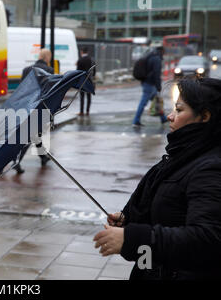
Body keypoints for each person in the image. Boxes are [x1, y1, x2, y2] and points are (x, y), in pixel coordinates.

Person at [93, 77, 221, 280]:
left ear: (204, 117)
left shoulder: (210, 168)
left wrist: (133, 239)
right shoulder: (184, 155)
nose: (170, 116)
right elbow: (170, 214)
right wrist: (130, 220)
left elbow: (207, 239)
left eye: (179, 110)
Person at [14, 49, 53, 174]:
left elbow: (21, 89)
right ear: (47, 57)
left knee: (35, 134)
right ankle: (17, 161)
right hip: (39, 107)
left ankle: (43, 157)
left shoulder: (27, 69)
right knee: (30, 135)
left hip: (25, 106)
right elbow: (49, 91)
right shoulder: (49, 71)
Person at [132, 46, 168, 127]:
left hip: (146, 82)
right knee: (143, 102)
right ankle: (136, 120)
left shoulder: (150, 56)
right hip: (150, 84)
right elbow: (156, 73)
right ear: (161, 51)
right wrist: (158, 86)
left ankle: (163, 118)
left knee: (157, 100)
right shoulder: (156, 59)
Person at [76, 47, 96, 116]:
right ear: (87, 52)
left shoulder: (80, 60)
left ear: (82, 52)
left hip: (82, 80)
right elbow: (94, 70)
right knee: (89, 96)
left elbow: (78, 71)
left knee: (82, 96)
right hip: (89, 80)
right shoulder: (91, 59)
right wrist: (93, 77)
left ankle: (81, 111)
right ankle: (87, 111)